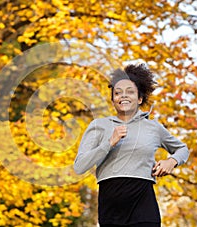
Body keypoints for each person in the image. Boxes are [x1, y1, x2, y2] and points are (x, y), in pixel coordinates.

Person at [74, 63, 189, 227]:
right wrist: (108, 143)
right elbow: (79, 166)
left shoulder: (153, 127)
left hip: (143, 205)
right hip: (111, 208)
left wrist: (171, 161)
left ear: (140, 98)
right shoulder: (98, 126)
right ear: (113, 99)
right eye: (118, 93)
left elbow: (182, 149)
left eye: (130, 92)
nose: (123, 96)